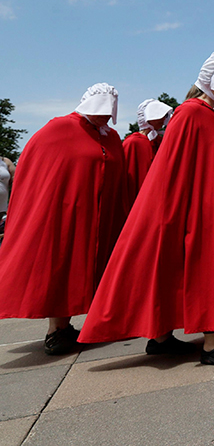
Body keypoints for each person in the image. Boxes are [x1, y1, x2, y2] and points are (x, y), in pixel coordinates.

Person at [79, 52, 214, 367]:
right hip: (196, 208)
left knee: (176, 268)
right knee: (201, 266)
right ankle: (213, 342)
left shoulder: (208, 114)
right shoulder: (192, 114)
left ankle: (160, 337)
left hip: (204, 204)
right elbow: (175, 170)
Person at [0, 83, 127, 355]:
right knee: (63, 264)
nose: (105, 116)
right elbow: (35, 172)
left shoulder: (111, 136)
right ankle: (56, 330)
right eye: (100, 110)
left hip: (102, 217)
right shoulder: (59, 129)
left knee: (95, 267)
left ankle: (83, 324)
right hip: (67, 212)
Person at [122, 99, 173, 209]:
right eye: (159, 115)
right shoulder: (132, 143)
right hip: (137, 200)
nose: (163, 119)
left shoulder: (160, 141)